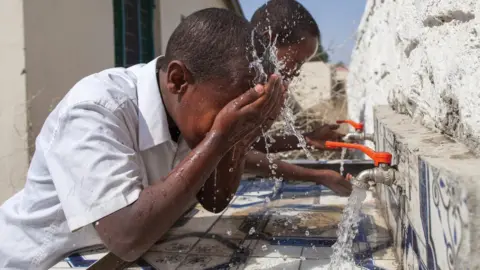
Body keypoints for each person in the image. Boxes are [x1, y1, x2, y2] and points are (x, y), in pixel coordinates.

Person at [0, 8, 285, 269]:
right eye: (230, 108)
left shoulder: (190, 107)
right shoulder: (96, 108)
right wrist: (220, 137)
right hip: (36, 260)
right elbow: (127, 236)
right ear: (178, 80)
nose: (233, 117)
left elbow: (213, 199)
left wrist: (239, 139)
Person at [243, 0, 353, 196]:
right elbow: (235, 156)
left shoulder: (253, 78)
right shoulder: (234, 77)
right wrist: (317, 176)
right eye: (297, 61)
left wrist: (308, 139)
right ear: (270, 40)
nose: (296, 72)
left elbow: (245, 144)